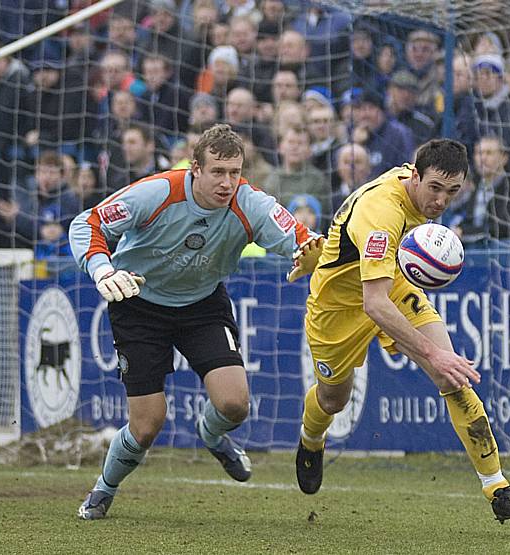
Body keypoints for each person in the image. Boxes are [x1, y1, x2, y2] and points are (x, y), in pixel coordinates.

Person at [70, 124, 323, 520]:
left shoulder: (252, 203)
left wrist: (313, 253)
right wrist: (103, 271)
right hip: (138, 303)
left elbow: (306, 242)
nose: (227, 183)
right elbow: (87, 222)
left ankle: (212, 435)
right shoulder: (157, 191)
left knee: (235, 403)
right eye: (218, 172)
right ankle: (103, 490)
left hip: (202, 305)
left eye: (235, 173)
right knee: (147, 425)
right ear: (195, 170)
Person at [295, 139, 510, 525]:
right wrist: (431, 352)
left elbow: (376, 277)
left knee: (453, 376)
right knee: (332, 400)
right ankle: (311, 440)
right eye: (435, 189)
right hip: (339, 306)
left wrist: (438, 358)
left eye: (453, 191)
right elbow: (373, 303)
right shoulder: (382, 212)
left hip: (390, 283)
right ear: (415, 175)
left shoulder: (416, 187)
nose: (441, 201)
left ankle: (499, 489)